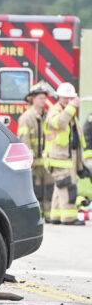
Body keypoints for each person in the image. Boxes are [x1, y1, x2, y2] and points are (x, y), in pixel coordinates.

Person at [44, 82, 89, 225]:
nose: (68, 101)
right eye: (65, 98)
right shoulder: (55, 111)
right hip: (59, 157)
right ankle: (69, 218)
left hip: (69, 157)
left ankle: (56, 216)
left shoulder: (69, 112)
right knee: (68, 186)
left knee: (60, 186)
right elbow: (59, 123)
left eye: (70, 98)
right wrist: (72, 106)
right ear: (59, 97)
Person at [17, 83, 53, 221]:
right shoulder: (26, 118)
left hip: (48, 161)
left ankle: (49, 216)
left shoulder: (49, 116)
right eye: (40, 98)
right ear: (33, 99)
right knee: (36, 191)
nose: (44, 100)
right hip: (34, 163)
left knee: (49, 189)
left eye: (45, 98)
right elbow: (24, 139)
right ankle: (37, 218)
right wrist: (29, 158)